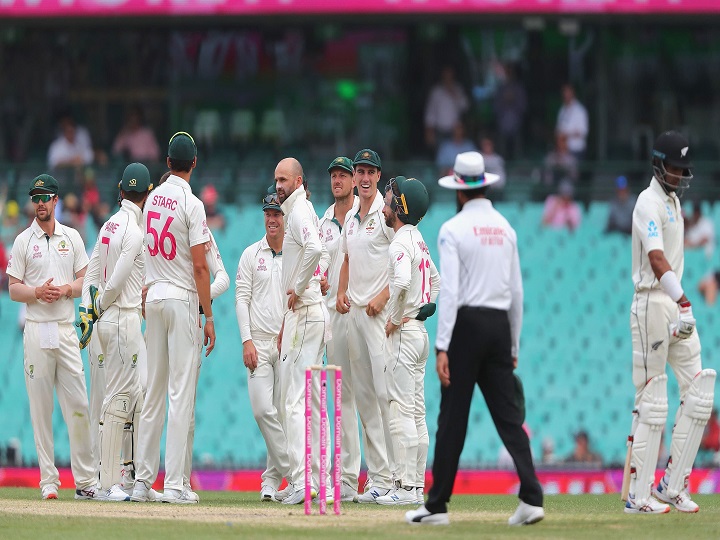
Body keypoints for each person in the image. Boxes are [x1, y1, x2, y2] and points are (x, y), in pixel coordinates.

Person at [406, 151, 544, 526]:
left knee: (452, 418)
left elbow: (449, 292)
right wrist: (513, 344)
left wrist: (442, 345)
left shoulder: (453, 230)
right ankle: (532, 496)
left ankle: (436, 506)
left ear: (459, 191)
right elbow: (516, 292)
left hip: (467, 326)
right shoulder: (506, 228)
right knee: (509, 417)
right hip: (499, 325)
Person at [624, 130, 716, 514]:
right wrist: (682, 299)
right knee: (654, 400)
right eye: (673, 167)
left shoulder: (674, 202)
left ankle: (671, 485)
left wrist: (680, 303)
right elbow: (657, 259)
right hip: (653, 303)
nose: (678, 174)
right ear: (659, 164)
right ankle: (637, 496)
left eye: (682, 169)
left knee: (700, 393)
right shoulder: (648, 202)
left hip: (675, 305)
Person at [131, 131, 216, 504]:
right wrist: (208, 315)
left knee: (153, 394)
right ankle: (175, 485)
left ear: (167, 163)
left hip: (154, 297)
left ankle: (141, 481)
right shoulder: (193, 204)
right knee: (180, 395)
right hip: (181, 298)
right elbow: (200, 267)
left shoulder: (150, 202)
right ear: (194, 164)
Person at [6, 174, 99, 500]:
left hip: (64, 328)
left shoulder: (71, 238)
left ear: (56, 200)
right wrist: (37, 292)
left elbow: (86, 281)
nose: (41, 202)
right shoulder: (22, 241)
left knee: (77, 404)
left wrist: (64, 290)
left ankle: (85, 481)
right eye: (36, 198)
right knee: (40, 408)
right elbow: (13, 288)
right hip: (37, 329)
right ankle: (49, 482)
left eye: (46, 197)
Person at [80, 163, 152, 500]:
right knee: (118, 401)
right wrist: (99, 306)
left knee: (127, 397)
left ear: (121, 191)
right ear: (147, 193)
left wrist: (87, 311)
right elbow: (116, 281)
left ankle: (124, 474)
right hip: (122, 319)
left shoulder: (108, 224)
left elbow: (92, 274)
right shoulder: (135, 233)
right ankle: (108, 483)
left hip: (105, 323)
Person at [336, 149, 395, 503]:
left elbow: (404, 260)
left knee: (387, 396)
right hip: (355, 316)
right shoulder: (351, 219)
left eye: (371, 171)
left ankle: (399, 479)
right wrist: (342, 291)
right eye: (360, 171)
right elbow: (346, 258)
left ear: (378, 175)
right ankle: (378, 479)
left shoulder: (385, 216)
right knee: (365, 400)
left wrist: (384, 298)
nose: (365, 177)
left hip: (377, 318)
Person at [376, 176, 439, 506]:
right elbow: (437, 284)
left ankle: (403, 488)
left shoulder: (400, 242)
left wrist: (395, 317)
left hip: (403, 334)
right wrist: (424, 306)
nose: (385, 203)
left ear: (400, 207)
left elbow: (400, 282)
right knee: (417, 413)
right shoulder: (420, 241)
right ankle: (415, 487)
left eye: (389, 199)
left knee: (400, 410)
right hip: (420, 334)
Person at [274, 157, 329, 505]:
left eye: (284, 180)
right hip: (305, 313)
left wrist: (298, 284)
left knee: (293, 401)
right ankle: (311, 479)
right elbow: (316, 253)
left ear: (298, 181)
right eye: (276, 180)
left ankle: (303, 481)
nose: (278, 185)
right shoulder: (300, 210)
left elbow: (316, 249)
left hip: (306, 312)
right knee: (303, 400)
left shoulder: (298, 211)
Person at [236, 186, 293, 502]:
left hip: (286, 344)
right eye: (268, 214)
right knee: (262, 410)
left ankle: (270, 482)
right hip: (258, 342)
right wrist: (246, 340)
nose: (272, 219)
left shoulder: (295, 253)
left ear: (285, 217)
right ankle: (295, 473)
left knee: (282, 414)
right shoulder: (250, 254)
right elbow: (241, 298)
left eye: (277, 214)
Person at [318, 156, 361, 502]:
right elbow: (320, 265)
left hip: (366, 313)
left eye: (342, 175)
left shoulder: (370, 214)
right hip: (334, 314)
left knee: (375, 393)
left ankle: (387, 476)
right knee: (344, 397)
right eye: (333, 176)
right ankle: (347, 479)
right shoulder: (323, 222)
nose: (337, 180)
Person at [424, 66, 469, 149]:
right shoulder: (436, 91)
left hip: (455, 131)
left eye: (450, 75)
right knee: (441, 154)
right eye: (446, 75)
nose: (448, 77)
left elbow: (465, 106)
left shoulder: (458, 89)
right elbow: (431, 112)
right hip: (440, 130)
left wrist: (454, 94)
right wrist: (429, 130)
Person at [555, 84, 588, 161]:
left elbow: (583, 132)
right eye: (564, 93)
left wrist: (566, 135)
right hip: (562, 150)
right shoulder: (562, 110)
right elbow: (558, 130)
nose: (566, 95)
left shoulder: (580, 110)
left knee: (568, 165)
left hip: (576, 150)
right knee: (549, 161)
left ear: (572, 93)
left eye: (568, 93)